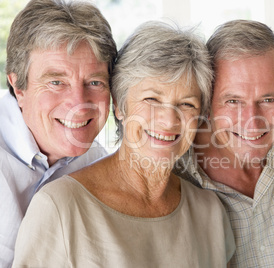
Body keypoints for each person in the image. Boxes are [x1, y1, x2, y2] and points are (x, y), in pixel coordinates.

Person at [12, 21, 235, 267]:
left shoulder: (211, 213)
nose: (169, 119)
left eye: (187, 104)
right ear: (119, 105)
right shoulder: (59, 207)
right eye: (152, 99)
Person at [0, 0, 117, 266]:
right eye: (56, 82)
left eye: (95, 82)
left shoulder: (98, 165)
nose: (79, 103)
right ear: (18, 87)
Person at [174, 19, 274, 267]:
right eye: (233, 101)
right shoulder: (175, 173)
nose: (252, 122)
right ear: (207, 105)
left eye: (269, 99)